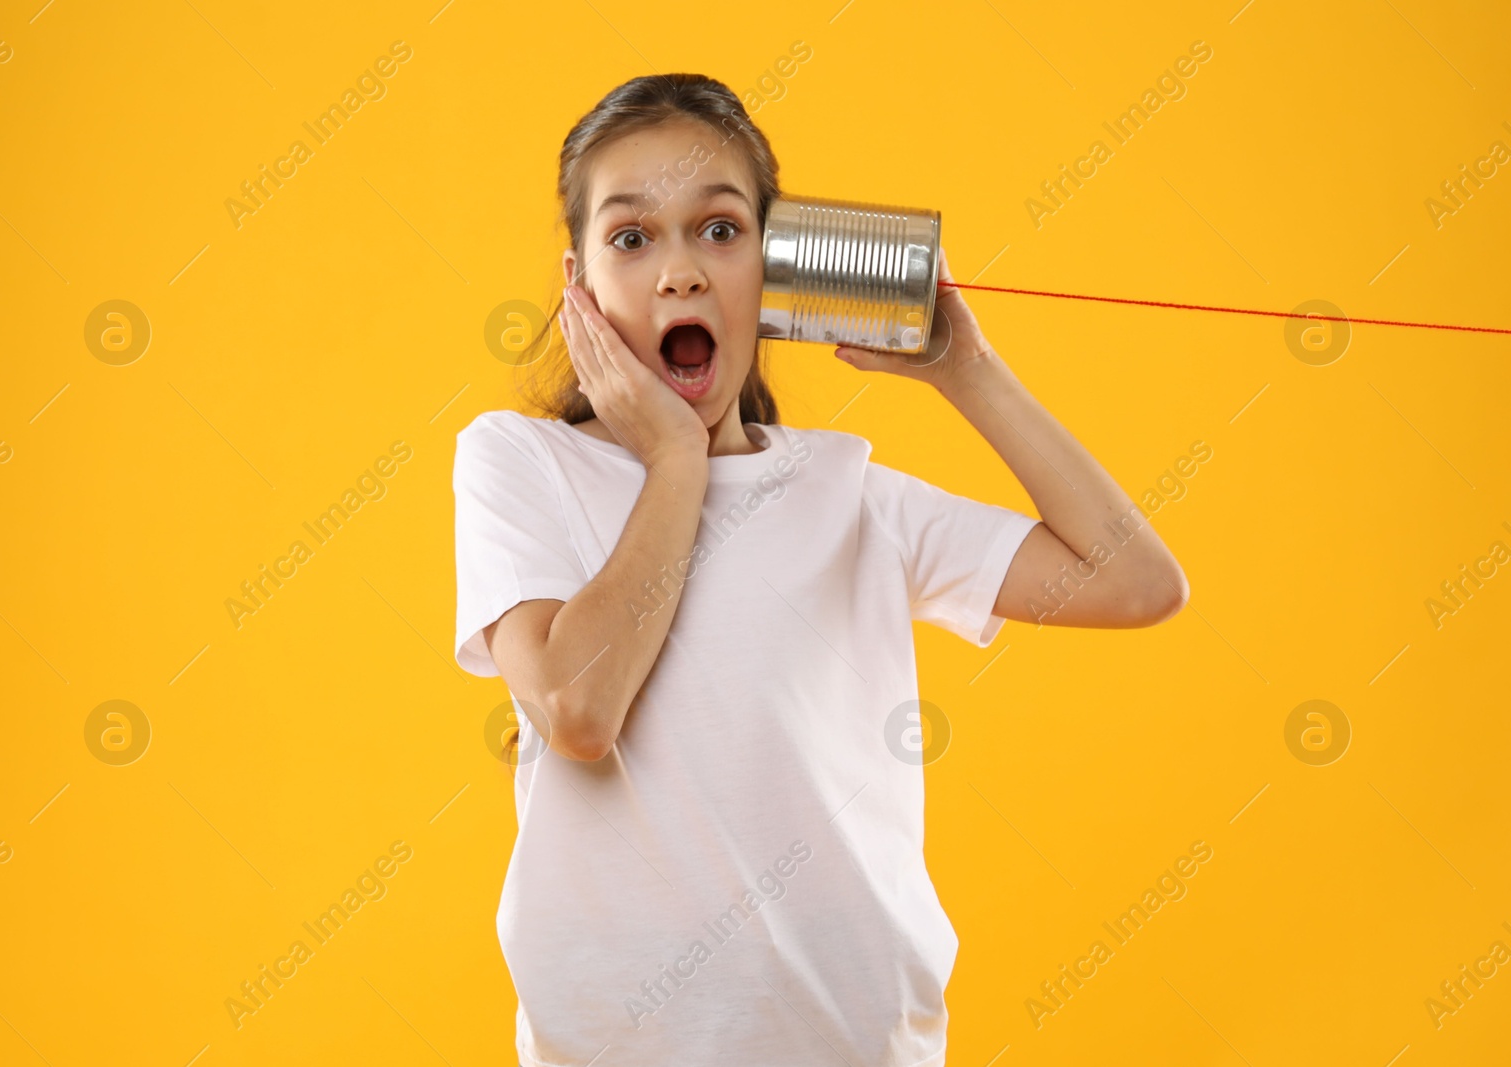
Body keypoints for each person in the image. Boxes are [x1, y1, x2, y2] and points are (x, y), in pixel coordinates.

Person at [453, 73, 1188, 1067]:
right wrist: (676, 460)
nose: (680, 273)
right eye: (631, 237)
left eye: (720, 230)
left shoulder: (851, 496)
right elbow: (577, 709)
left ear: (778, 268)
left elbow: (1136, 581)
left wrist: (966, 369)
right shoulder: (520, 461)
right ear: (577, 282)